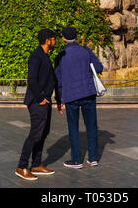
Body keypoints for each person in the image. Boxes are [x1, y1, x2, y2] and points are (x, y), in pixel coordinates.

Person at [54, 27, 103, 168]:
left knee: (73, 127)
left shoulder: (60, 56)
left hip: (71, 95)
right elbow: (99, 68)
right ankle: (93, 158)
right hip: (88, 92)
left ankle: (76, 160)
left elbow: (58, 80)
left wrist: (59, 100)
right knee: (92, 126)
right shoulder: (85, 51)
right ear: (76, 36)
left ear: (63, 38)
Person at [15, 28, 59, 180]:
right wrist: (40, 98)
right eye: (54, 39)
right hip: (37, 101)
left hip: (45, 101)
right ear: (48, 41)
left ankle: (36, 164)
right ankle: (22, 166)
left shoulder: (45, 56)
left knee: (43, 133)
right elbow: (32, 80)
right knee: (35, 134)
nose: (55, 41)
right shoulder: (36, 56)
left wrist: (56, 100)